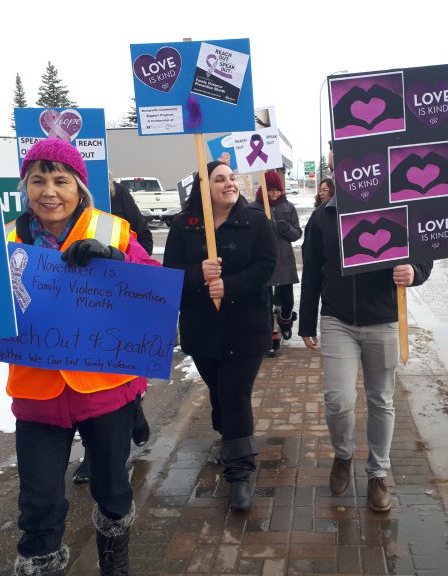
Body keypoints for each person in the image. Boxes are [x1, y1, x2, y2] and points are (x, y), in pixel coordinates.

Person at [0, 138, 160, 575]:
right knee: (38, 504)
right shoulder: (7, 242)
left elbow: (152, 291)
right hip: (37, 397)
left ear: (79, 187)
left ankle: (116, 563)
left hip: (105, 394)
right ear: (25, 187)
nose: (48, 191)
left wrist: (113, 262)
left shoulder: (111, 230)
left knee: (111, 489)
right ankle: (41, 565)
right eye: (38, 180)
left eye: (60, 180)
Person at [298, 186, 433, 513]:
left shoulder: (398, 208)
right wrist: (305, 322)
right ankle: (343, 455)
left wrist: (415, 271)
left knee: (381, 400)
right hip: (337, 319)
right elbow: (313, 272)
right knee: (338, 400)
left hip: (383, 319)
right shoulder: (323, 217)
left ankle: (377, 473)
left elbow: (424, 254)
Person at [163, 160, 276, 511]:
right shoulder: (185, 226)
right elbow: (169, 274)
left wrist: (230, 285)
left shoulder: (256, 220)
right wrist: (199, 273)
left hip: (246, 325)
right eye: (219, 179)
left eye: (231, 178)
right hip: (202, 328)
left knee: (235, 393)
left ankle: (239, 473)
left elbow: (266, 266)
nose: (229, 183)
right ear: (203, 186)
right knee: (218, 389)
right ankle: (226, 436)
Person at [71, 174, 154, 484]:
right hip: (66, 325)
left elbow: (144, 245)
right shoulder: (27, 229)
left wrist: (112, 259)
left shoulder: (116, 198)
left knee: (114, 386)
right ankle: (97, 450)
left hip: (111, 311)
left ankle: (130, 413)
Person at [250, 170, 302, 357]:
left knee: (287, 301)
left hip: (284, 262)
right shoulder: (254, 208)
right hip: (263, 262)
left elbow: (297, 233)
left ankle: (285, 321)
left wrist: (286, 228)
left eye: (277, 190)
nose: (275, 194)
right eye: (270, 190)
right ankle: (271, 338)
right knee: (265, 304)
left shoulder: (288, 207)